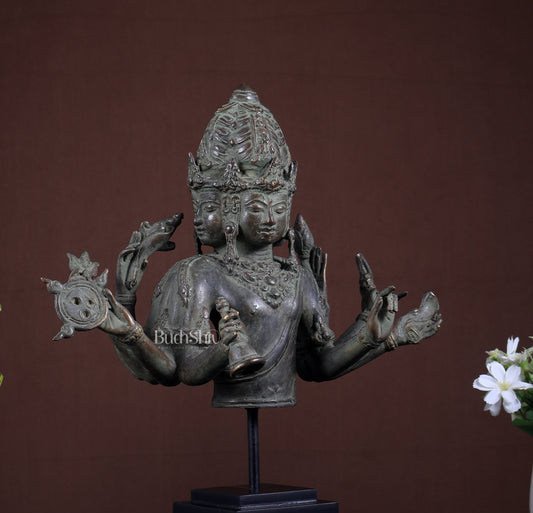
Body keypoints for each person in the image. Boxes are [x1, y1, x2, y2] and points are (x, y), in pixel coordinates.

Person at [99, 86, 441, 406]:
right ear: (228, 208)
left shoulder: (295, 274)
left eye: (278, 209)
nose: (269, 219)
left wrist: (379, 336)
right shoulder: (200, 274)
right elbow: (183, 369)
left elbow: (316, 365)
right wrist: (223, 348)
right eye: (257, 207)